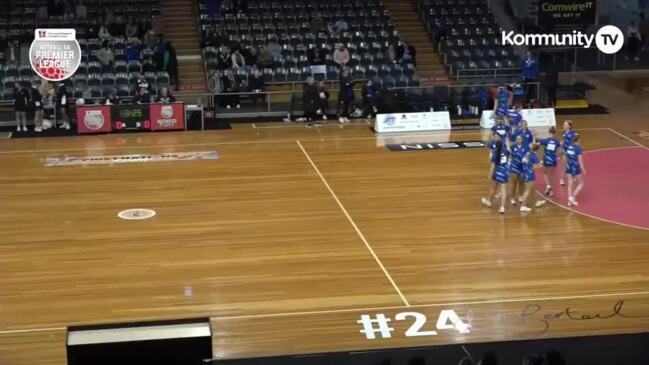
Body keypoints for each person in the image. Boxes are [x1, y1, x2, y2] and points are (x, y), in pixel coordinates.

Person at [481, 140, 510, 214]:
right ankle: (502, 207)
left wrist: (490, 174)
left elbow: (493, 165)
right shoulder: (506, 152)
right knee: (503, 190)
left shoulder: (495, 154)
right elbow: (509, 154)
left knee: (494, 187)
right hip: (505, 172)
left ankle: (489, 201)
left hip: (497, 172)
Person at [519, 144, 547, 212]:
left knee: (532, 189)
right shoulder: (534, 156)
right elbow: (534, 167)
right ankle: (522, 206)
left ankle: (536, 201)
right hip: (529, 174)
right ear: (537, 150)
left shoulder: (527, 153)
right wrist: (541, 164)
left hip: (524, 173)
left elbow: (524, 162)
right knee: (527, 190)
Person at [538, 127, 561, 197]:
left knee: (545, 173)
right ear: (554, 133)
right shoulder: (557, 141)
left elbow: (536, 144)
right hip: (553, 160)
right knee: (551, 176)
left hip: (546, 159)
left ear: (549, 132)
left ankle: (548, 186)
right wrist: (557, 156)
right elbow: (560, 152)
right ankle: (551, 192)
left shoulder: (545, 140)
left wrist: (534, 138)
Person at [565, 134, 585, 206]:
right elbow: (580, 160)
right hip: (575, 167)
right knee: (581, 183)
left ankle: (569, 201)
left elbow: (566, 157)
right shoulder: (578, 148)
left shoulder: (569, 147)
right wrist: (583, 169)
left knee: (570, 183)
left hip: (568, 166)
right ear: (578, 140)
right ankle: (572, 197)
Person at [509, 134, 529, 206]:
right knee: (513, 183)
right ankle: (512, 198)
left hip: (522, 168)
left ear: (522, 140)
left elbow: (527, 156)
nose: (518, 140)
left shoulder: (526, 148)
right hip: (514, 167)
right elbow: (510, 156)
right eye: (517, 138)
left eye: (520, 138)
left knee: (521, 183)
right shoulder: (512, 147)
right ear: (516, 140)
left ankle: (520, 196)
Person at [559, 120, 578, 186]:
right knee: (565, 165)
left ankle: (573, 176)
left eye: (566, 125)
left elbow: (576, 140)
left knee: (572, 164)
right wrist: (561, 144)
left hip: (571, 152)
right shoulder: (564, 132)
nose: (564, 126)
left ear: (569, 126)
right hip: (564, 152)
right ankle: (561, 179)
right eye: (564, 125)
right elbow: (564, 140)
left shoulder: (573, 133)